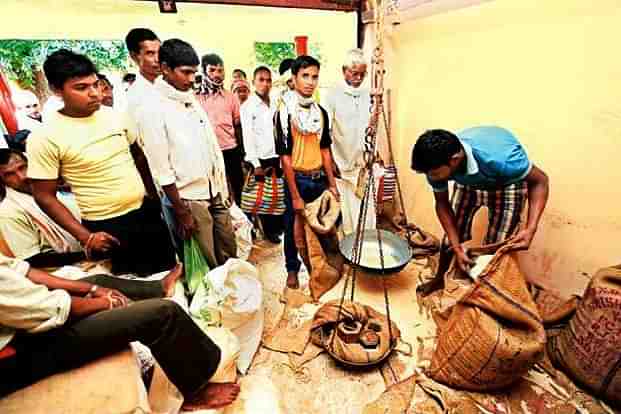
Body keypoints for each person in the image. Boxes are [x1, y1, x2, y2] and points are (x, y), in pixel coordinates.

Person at [0, 255, 240, 410]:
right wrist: (107, 303)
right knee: (162, 315)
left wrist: (94, 288)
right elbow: (51, 308)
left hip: (24, 322)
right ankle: (196, 392)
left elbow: (23, 271)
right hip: (18, 355)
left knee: (99, 279)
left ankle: (158, 287)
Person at [26, 49, 176, 277]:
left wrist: (152, 195)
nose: (94, 93)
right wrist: (86, 237)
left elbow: (137, 155)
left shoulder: (114, 116)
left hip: (145, 212)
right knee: (134, 290)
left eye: (95, 84)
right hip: (106, 226)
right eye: (81, 88)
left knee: (168, 274)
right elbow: (44, 195)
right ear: (57, 90)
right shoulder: (45, 136)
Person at [136, 39, 236, 268]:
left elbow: (211, 147)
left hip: (214, 190)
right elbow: (160, 168)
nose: (191, 79)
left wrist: (223, 184)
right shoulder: (152, 107)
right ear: (165, 69)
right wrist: (181, 212)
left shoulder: (189, 98)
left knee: (229, 250)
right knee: (207, 260)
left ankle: (232, 296)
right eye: (185, 72)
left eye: (194, 72)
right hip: (189, 198)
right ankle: (215, 302)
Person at [411, 126, 549, 279]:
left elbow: (540, 181)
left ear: (455, 160)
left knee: (495, 252)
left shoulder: (504, 160)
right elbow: (442, 203)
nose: (431, 177)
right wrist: (457, 247)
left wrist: (531, 229)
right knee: (449, 241)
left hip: (505, 183)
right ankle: (439, 280)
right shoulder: (434, 165)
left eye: (434, 173)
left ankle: (481, 293)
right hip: (467, 181)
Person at [275, 55, 339, 289]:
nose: (310, 82)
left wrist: (332, 184)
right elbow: (285, 157)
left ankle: (318, 269)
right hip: (297, 180)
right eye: (305, 76)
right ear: (293, 79)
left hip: (318, 179)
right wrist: (295, 196)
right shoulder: (284, 114)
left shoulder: (319, 112)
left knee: (322, 227)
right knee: (293, 229)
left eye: (314, 76)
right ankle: (292, 269)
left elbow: (325, 150)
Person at [322, 49, 376, 235]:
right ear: (344, 70)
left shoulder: (368, 93)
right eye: (354, 73)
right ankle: (350, 244)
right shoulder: (332, 94)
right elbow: (325, 132)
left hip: (362, 163)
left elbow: (370, 126)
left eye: (362, 74)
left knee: (366, 208)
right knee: (347, 210)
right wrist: (331, 162)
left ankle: (366, 239)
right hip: (342, 162)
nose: (358, 77)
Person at [0, 149, 84, 267]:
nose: (22, 176)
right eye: (9, 174)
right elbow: (32, 260)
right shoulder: (9, 211)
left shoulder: (50, 190)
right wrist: (86, 255)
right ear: (2, 181)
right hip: (64, 272)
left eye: (23, 167)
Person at [240, 66, 283, 244]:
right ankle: (265, 231)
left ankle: (275, 229)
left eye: (268, 80)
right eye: (261, 80)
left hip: (276, 155)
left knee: (276, 194)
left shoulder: (274, 103)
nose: (265, 84)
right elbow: (247, 136)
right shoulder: (248, 107)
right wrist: (255, 164)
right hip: (259, 159)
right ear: (254, 82)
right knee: (261, 196)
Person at [198, 53, 244, 205]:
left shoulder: (231, 97)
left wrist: (241, 153)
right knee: (217, 192)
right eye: (212, 70)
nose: (217, 75)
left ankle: (245, 224)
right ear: (203, 71)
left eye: (220, 70)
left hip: (231, 150)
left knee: (238, 189)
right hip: (208, 153)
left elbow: (238, 126)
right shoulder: (195, 98)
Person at [125, 28, 161, 118]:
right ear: (134, 56)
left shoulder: (174, 85)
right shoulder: (134, 97)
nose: (158, 59)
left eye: (160, 52)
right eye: (150, 53)